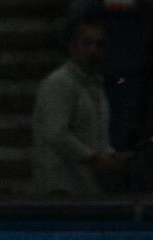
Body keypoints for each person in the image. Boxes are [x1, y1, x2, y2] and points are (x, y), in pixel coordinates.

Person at [32, 18, 127, 195]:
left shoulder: (96, 86)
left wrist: (109, 156)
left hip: (86, 184)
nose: (94, 49)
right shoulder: (59, 83)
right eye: (87, 43)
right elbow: (56, 133)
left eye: (99, 45)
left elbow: (98, 134)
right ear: (73, 47)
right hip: (61, 185)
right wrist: (93, 159)